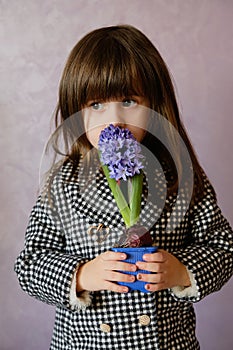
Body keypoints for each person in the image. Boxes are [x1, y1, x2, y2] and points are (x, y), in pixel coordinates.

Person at [15, 25, 233, 350]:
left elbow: (223, 248)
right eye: (97, 105)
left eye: (129, 100)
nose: (113, 120)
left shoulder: (181, 178)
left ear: (155, 106)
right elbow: (30, 264)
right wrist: (81, 275)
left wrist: (181, 270)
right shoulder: (63, 184)